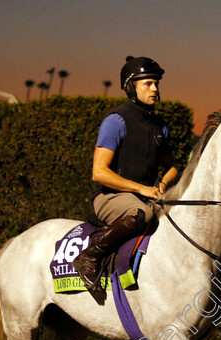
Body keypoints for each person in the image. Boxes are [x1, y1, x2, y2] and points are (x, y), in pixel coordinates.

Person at [71, 56, 180, 291]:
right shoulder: (116, 121)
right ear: (130, 87)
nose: (154, 89)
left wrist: (163, 182)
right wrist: (140, 188)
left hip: (145, 195)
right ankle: (89, 257)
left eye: (156, 83)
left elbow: (173, 167)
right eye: (148, 83)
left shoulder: (161, 127)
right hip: (110, 197)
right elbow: (98, 173)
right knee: (142, 214)